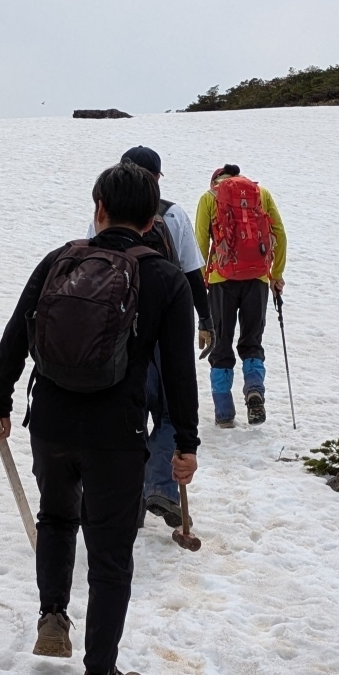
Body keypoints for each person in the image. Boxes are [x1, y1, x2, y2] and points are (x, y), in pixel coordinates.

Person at [0, 162, 199, 675]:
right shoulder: (165, 278)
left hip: (50, 421)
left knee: (56, 518)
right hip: (117, 434)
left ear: (98, 206)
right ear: (152, 220)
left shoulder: (61, 259)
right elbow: (179, 372)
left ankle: (53, 618)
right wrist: (186, 444)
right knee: (109, 553)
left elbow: (16, 333)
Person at [89, 146, 212, 531]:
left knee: (131, 414)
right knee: (171, 412)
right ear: (157, 178)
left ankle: (129, 499)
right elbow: (191, 272)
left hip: (120, 333)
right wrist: (206, 319)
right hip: (166, 328)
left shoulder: (103, 213)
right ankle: (160, 485)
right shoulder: (172, 214)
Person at [194, 164, 287, 427]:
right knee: (252, 341)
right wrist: (276, 274)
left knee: (220, 343)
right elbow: (280, 233)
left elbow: (200, 243)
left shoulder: (208, 198)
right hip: (257, 279)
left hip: (221, 281)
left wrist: (201, 281)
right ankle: (254, 388)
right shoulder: (261, 194)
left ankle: (224, 412)